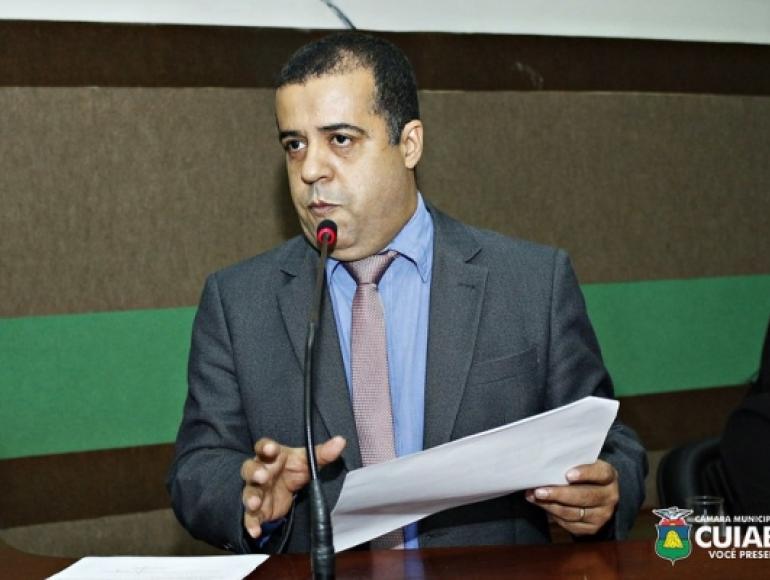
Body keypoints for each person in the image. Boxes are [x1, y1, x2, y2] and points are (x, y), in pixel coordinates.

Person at [167, 31, 647, 554]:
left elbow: (609, 443)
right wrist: (250, 494)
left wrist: (606, 490)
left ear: (409, 143)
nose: (310, 170)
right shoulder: (238, 302)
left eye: (340, 139)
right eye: (294, 144)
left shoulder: (531, 282)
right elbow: (198, 468)